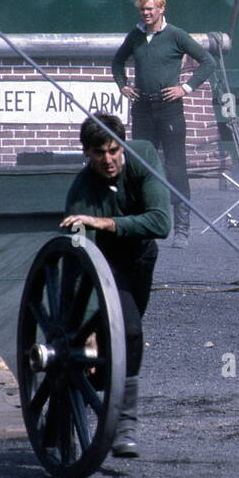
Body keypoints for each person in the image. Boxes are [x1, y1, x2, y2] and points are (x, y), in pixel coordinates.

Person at [61, 113, 171, 458]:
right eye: (98, 153)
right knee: (130, 333)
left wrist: (105, 221)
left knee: (125, 339)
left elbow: (161, 222)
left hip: (140, 258)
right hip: (102, 265)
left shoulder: (144, 157)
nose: (108, 160)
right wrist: (87, 326)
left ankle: (103, 387)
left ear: (122, 146)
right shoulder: (81, 193)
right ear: (86, 154)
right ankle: (124, 426)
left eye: (113, 150)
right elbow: (78, 263)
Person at [112, 0, 214, 247]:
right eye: (143, 9)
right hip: (143, 109)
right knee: (141, 168)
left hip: (169, 109)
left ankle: (182, 230)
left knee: (176, 168)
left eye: (150, 9)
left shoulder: (176, 35)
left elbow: (208, 62)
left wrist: (185, 88)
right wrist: (123, 84)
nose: (146, 13)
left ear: (161, 9)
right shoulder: (135, 36)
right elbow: (117, 62)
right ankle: (144, 227)